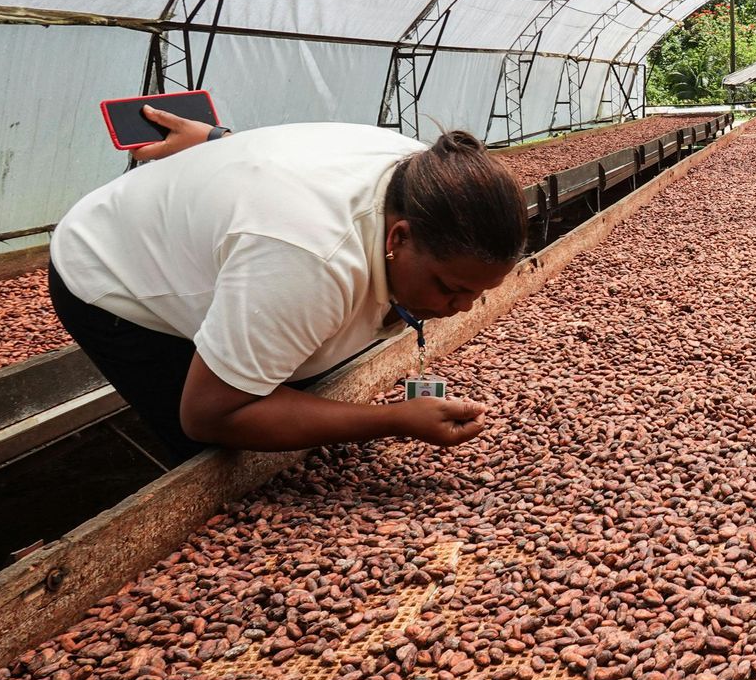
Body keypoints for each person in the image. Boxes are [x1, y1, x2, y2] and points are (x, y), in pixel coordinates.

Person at [48, 106, 527, 458]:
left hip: (249, 246)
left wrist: (217, 139)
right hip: (112, 269)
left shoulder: (429, 177)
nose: (463, 308)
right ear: (398, 238)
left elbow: (291, 154)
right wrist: (392, 420)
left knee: (283, 373)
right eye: (449, 288)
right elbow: (209, 414)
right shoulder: (309, 259)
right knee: (221, 447)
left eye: (478, 293)